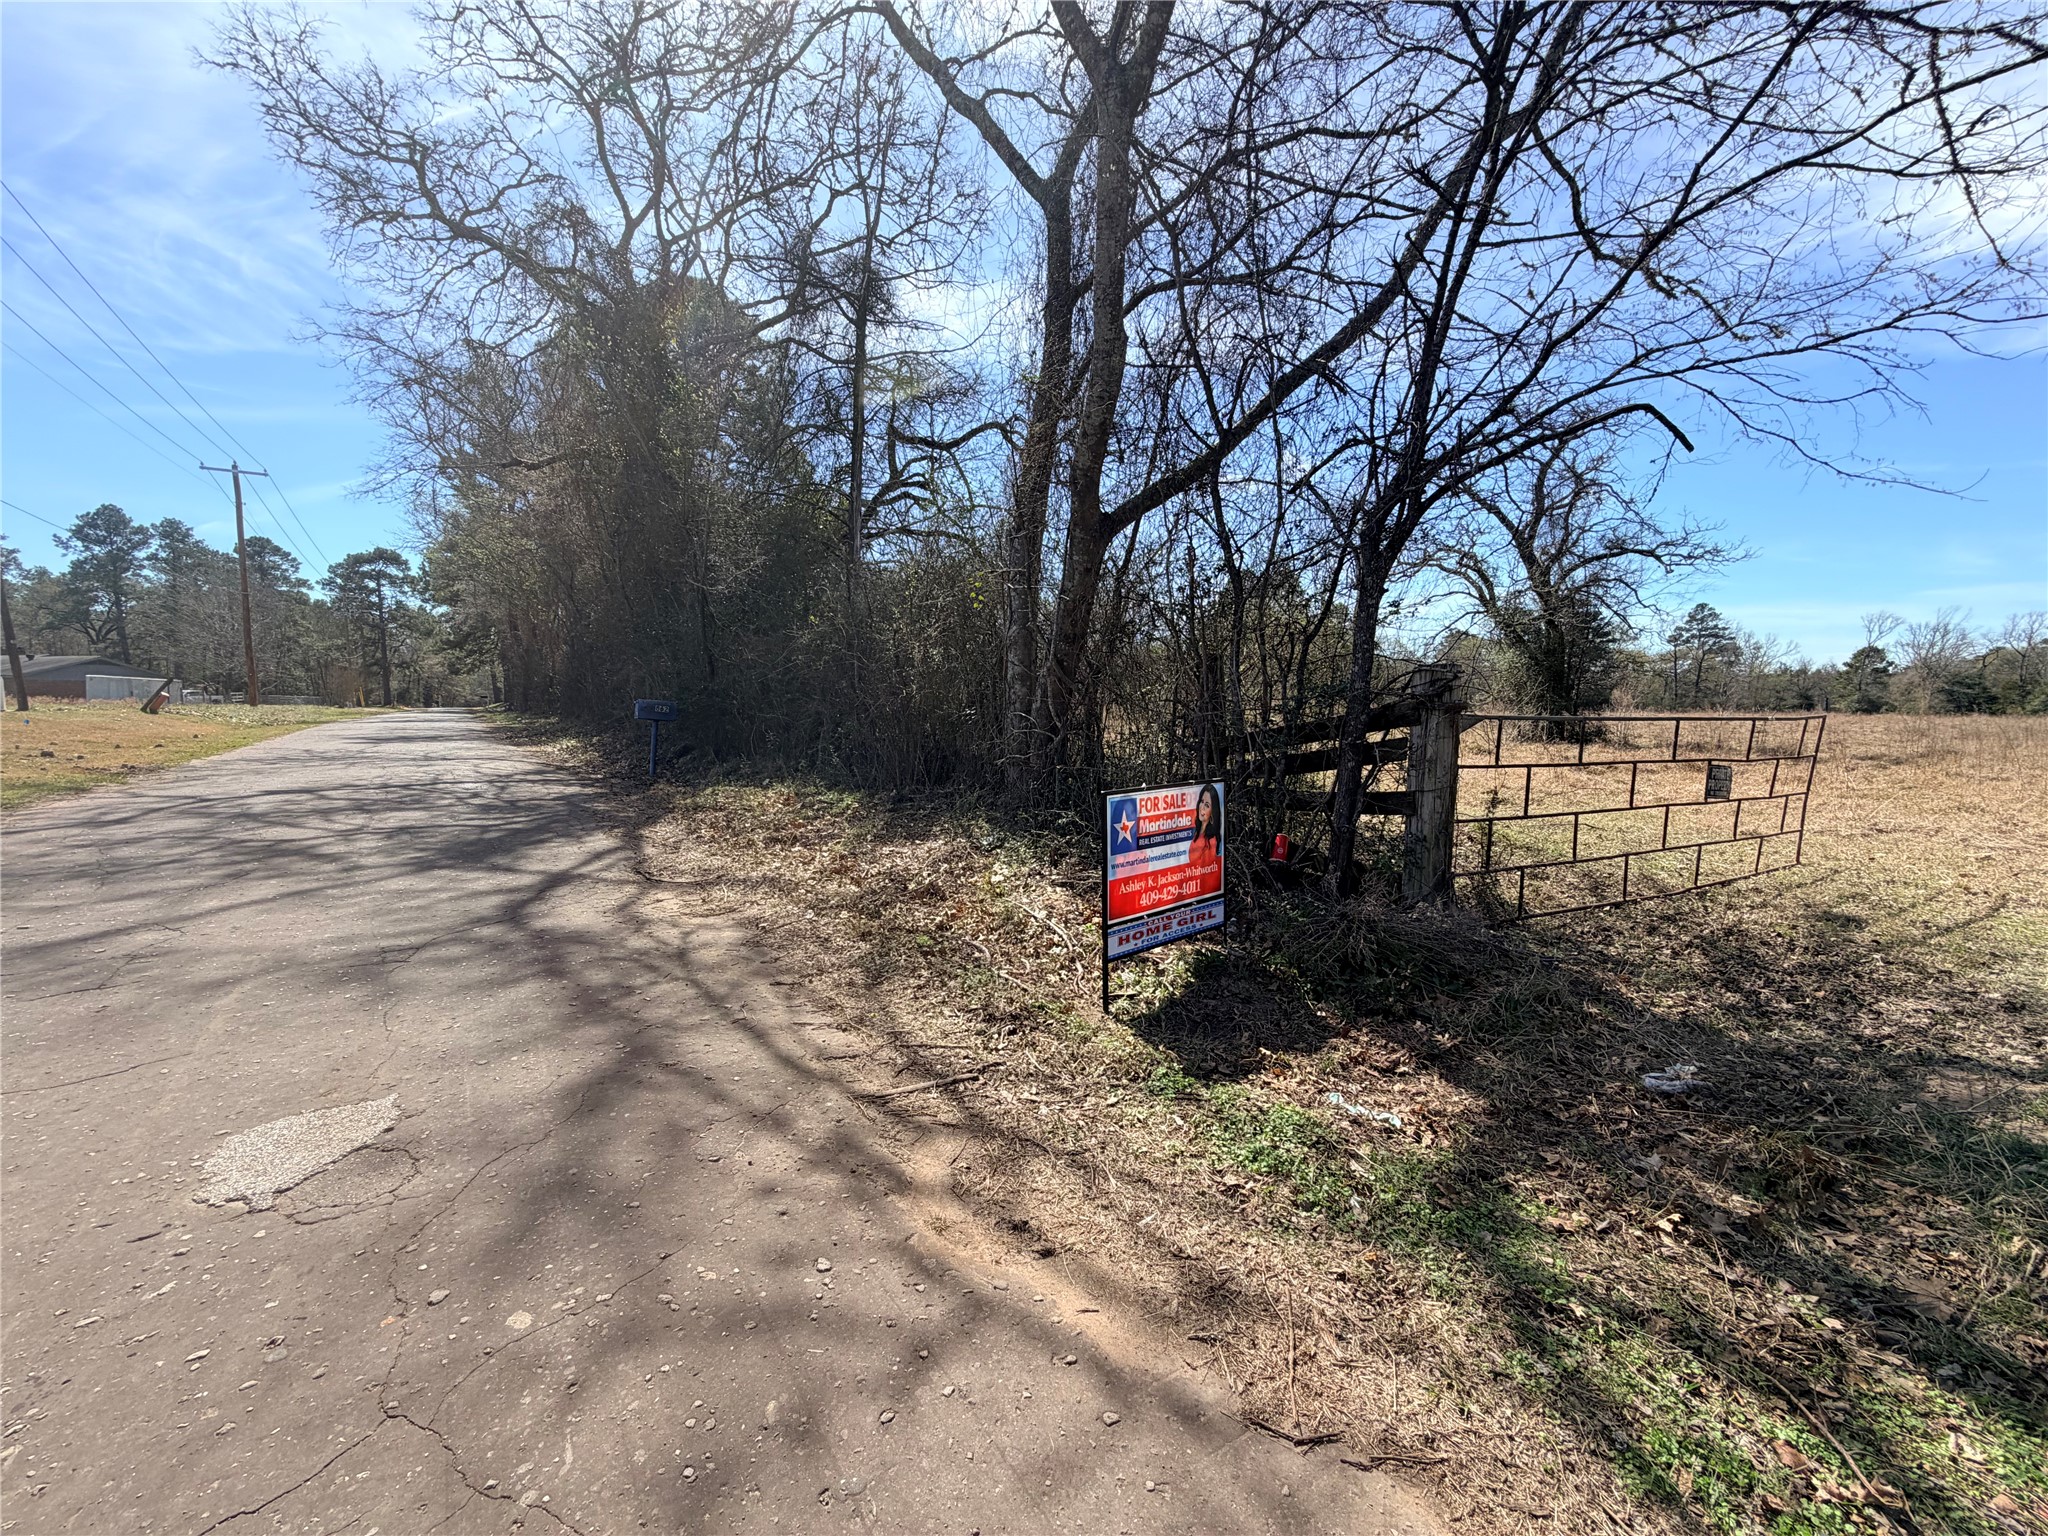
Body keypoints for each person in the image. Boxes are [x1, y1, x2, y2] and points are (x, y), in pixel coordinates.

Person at [1191, 782, 1222, 855]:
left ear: (1212, 812)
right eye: (1202, 802)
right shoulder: (1197, 831)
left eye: (1207, 805)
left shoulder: (1211, 841)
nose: (1202, 808)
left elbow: (1210, 865)